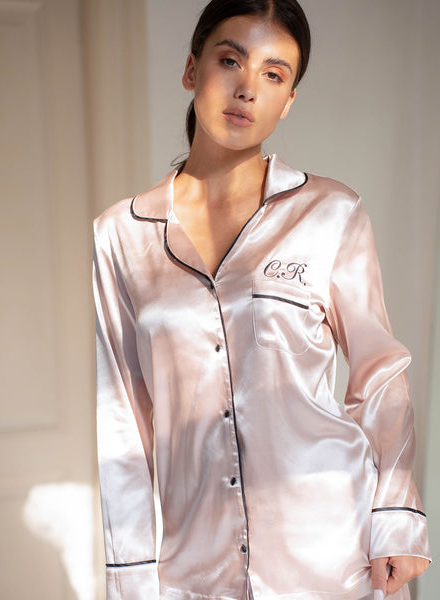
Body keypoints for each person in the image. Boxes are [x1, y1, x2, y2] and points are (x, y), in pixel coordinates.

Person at [92, 1, 430, 599]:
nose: (248, 88)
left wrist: (395, 518)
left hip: (337, 556)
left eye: (274, 74)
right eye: (231, 61)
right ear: (192, 69)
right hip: (197, 571)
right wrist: (131, 579)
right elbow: (124, 418)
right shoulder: (121, 234)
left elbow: (381, 374)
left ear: (289, 99)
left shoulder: (331, 213)